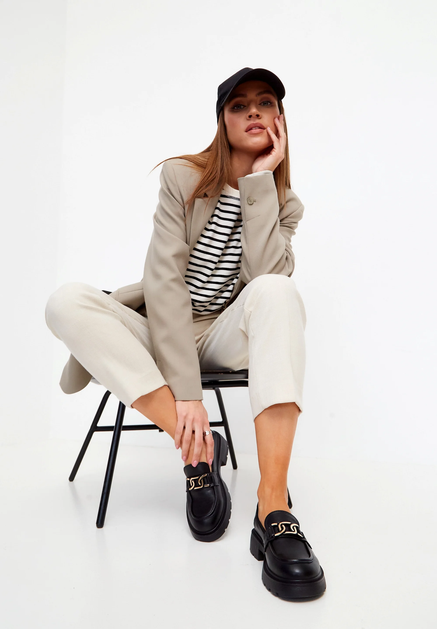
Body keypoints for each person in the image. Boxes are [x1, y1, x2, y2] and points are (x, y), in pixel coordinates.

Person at [45, 67, 326, 601]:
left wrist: (260, 182)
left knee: (278, 291)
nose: (253, 112)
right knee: (67, 301)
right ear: (222, 121)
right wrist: (188, 396)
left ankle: (273, 507)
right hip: (160, 330)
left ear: (280, 120)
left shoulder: (285, 204)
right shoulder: (181, 177)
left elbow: (265, 276)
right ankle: (199, 451)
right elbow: (164, 282)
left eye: (265, 103)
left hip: (224, 333)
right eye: (239, 105)